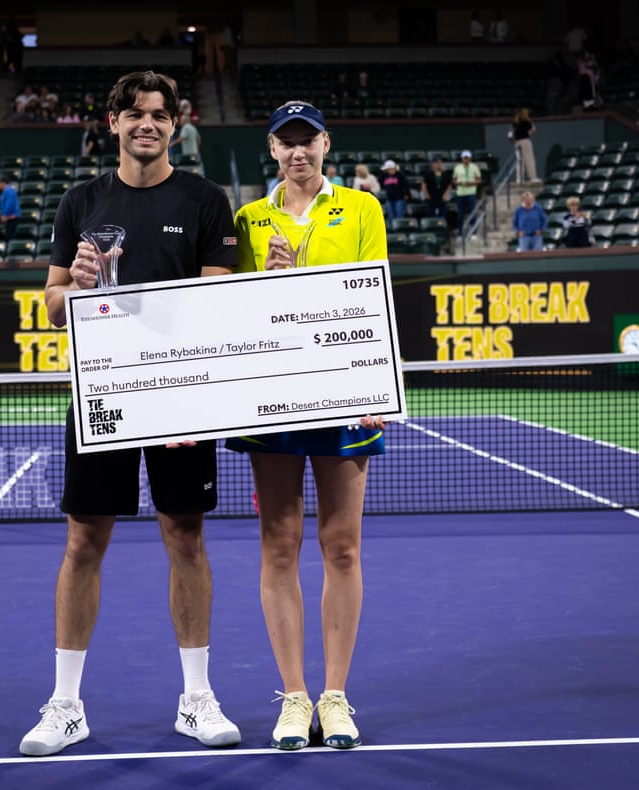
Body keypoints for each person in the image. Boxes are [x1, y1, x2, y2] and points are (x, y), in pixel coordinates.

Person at [20, 69, 241, 758]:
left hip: (179, 400)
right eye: (135, 113)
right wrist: (78, 287)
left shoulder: (206, 200)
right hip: (101, 397)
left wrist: (186, 392)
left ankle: (196, 698)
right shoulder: (79, 201)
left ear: (176, 124)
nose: (148, 123)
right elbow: (53, 310)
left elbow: (216, 304)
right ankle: (65, 705)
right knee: (84, 543)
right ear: (113, 122)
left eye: (160, 114)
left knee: (185, 539)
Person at [230, 99, 386, 751]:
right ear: (271, 150)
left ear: (326, 144)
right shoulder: (246, 220)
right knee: (280, 544)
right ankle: (295, 697)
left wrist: (375, 379)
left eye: (307, 140)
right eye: (284, 141)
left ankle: (337, 696)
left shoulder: (362, 209)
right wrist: (268, 284)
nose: (297, 151)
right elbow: (232, 315)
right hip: (273, 401)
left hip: (344, 394)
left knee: (342, 546)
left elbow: (370, 290)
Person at [452, 150, 482, 230]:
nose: (466, 160)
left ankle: (474, 231)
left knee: (472, 212)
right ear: (462, 158)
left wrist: (472, 183)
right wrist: (458, 183)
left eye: (467, 158)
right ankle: (460, 232)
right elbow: (454, 180)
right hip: (460, 193)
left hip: (471, 193)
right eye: (465, 158)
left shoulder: (474, 167)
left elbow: (479, 180)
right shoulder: (457, 168)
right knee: (460, 214)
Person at [510, 108, 538, 184]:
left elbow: (512, 132)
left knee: (519, 161)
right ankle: (533, 178)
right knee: (529, 159)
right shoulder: (526, 121)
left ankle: (519, 179)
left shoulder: (515, 122)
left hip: (517, 142)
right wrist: (531, 122)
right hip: (525, 141)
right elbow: (533, 130)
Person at [0, 174, 20, 243]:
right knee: (9, 236)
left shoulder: (9, 190)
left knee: (10, 237)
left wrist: (5, 215)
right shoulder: (8, 190)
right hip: (10, 217)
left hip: (11, 217)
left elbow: (10, 204)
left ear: (3, 183)